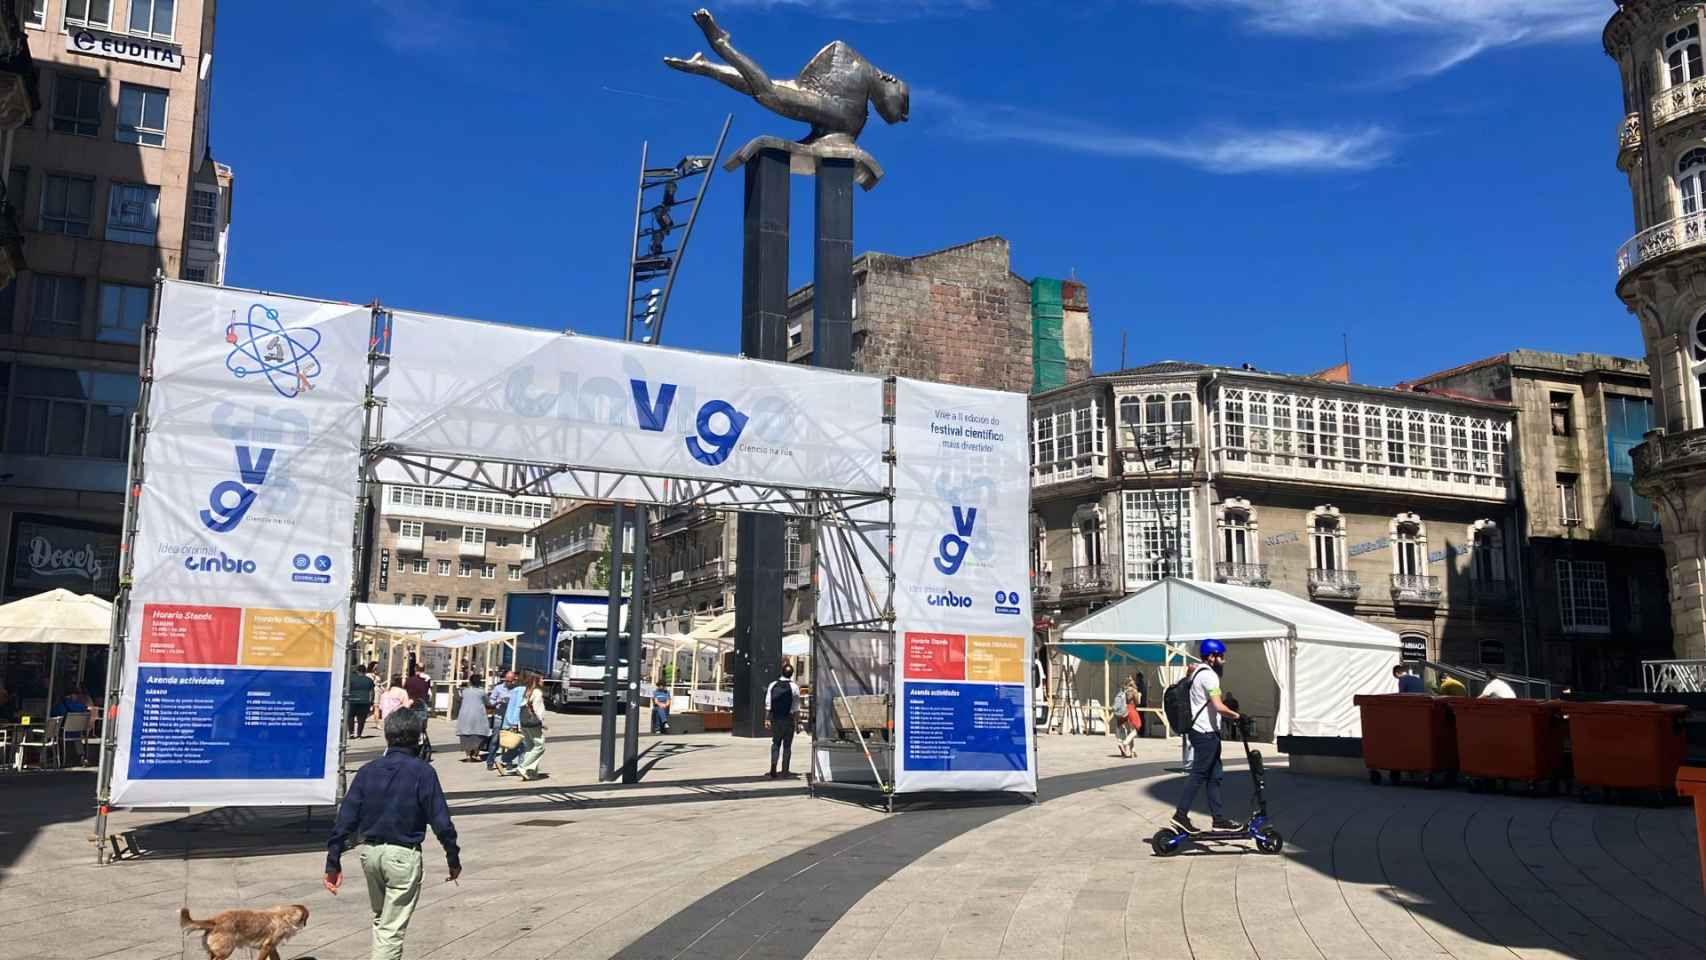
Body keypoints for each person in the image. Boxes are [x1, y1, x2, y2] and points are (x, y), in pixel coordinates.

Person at [324, 710, 460, 960]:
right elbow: (441, 821)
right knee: (391, 928)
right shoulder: (423, 772)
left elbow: (346, 819)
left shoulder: (367, 771)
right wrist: (453, 858)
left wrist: (333, 861)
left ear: (387, 736)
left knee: (382, 919)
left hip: (371, 854)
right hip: (403, 857)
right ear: (418, 738)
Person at [1170, 638, 1242, 836]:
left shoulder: (1196, 672)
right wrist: (1237, 716)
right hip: (1205, 734)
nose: (1223, 661)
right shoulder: (1210, 677)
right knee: (1199, 775)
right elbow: (1218, 706)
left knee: (1214, 776)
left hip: (1202, 731)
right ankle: (1181, 814)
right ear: (1211, 657)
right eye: (1221, 657)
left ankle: (1218, 819)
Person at [764, 661, 801, 779]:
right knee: (787, 746)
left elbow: (768, 704)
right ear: (792, 674)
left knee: (775, 744)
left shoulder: (773, 684)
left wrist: (767, 719)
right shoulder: (794, 687)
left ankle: (773, 769)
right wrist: (798, 722)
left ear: (782, 672)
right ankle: (785, 771)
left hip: (776, 719)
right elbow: (796, 707)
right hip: (788, 720)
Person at [514, 671, 549, 782]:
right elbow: (538, 709)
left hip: (524, 722)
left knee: (530, 747)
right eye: (541, 679)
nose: (543, 681)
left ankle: (531, 773)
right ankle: (523, 766)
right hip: (533, 723)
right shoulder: (537, 692)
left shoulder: (528, 691)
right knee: (540, 745)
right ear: (536, 680)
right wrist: (542, 723)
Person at [486, 670, 519, 771]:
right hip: (499, 716)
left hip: (510, 718)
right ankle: (490, 761)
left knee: (511, 740)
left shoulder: (516, 689)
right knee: (495, 739)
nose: (509, 683)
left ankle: (508, 762)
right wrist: (498, 701)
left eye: (511, 681)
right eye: (507, 680)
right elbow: (490, 701)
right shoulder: (498, 688)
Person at [454, 674, 488, 762]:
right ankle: (475, 753)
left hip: (464, 715)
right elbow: (488, 703)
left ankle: (468, 755)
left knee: (466, 736)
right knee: (479, 734)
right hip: (478, 716)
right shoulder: (482, 692)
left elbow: (460, 699)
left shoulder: (465, 691)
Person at [348, 664, 376, 739]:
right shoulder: (369, 680)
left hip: (352, 700)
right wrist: (371, 701)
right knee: (361, 718)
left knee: (350, 717)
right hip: (364, 701)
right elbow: (372, 692)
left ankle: (351, 733)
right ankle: (359, 734)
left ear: (357, 671)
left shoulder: (351, 679)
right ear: (365, 671)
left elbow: (348, 689)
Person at [1119, 677, 1142, 758]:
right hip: (1132, 710)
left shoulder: (1124, 691)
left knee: (1130, 731)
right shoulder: (1133, 691)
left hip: (1125, 710)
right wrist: (1139, 695)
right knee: (1136, 730)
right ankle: (1125, 742)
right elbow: (1138, 702)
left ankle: (1132, 751)